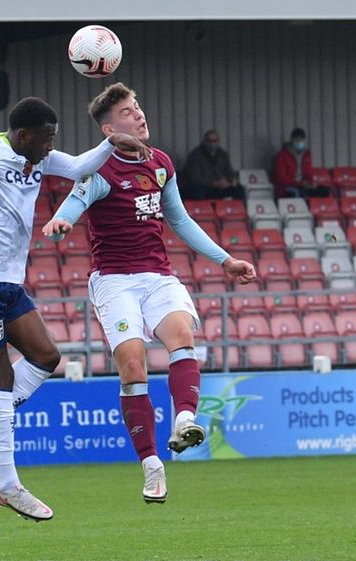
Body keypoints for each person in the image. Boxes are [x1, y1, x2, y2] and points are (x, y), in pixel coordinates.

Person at [0, 64, 150, 521]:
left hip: (6, 284)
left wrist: (111, 143)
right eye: (46, 137)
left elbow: (81, 165)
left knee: (47, 358)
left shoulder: (40, 157)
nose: (51, 146)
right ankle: (7, 485)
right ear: (22, 134)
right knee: (0, 379)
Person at [42, 83, 257, 504]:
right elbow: (71, 205)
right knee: (133, 365)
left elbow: (180, 220)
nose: (138, 115)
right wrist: (60, 222)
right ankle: (151, 464)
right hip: (114, 281)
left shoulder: (160, 164)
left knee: (182, 337)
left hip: (157, 275)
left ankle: (184, 421)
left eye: (137, 106)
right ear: (109, 129)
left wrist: (225, 260)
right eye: (127, 112)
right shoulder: (99, 171)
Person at [180, 129, 244, 200]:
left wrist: (232, 180)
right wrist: (214, 183)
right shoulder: (195, 155)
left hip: (219, 188)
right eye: (209, 141)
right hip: (204, 187)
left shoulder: (222, 154)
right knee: (198, 191)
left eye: (215, 141)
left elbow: (229, 171)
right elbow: (194, 178)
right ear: (204, 141)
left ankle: (237, 210)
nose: (212, 144)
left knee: (239, 190)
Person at [271, 127, 329, 198]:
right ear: (292, 140)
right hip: (287, 186)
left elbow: (308, 172)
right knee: (295, 192)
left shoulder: (306, 154)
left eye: (301, 140)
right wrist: (299, 183)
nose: (299, 142)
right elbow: (281, 177)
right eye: (297, 140)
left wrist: (310, 183)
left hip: (302, 185)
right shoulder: (282, 155)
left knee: (324, 191)